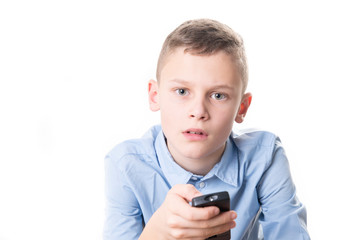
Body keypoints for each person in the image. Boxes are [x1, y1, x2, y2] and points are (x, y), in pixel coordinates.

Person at [103, 19, 310, 239]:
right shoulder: (125, 164)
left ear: (241, 108)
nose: (198, 111)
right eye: (182, 91)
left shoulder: (264, 157)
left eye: (218, 95)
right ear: (155, 96)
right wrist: (157, 233)